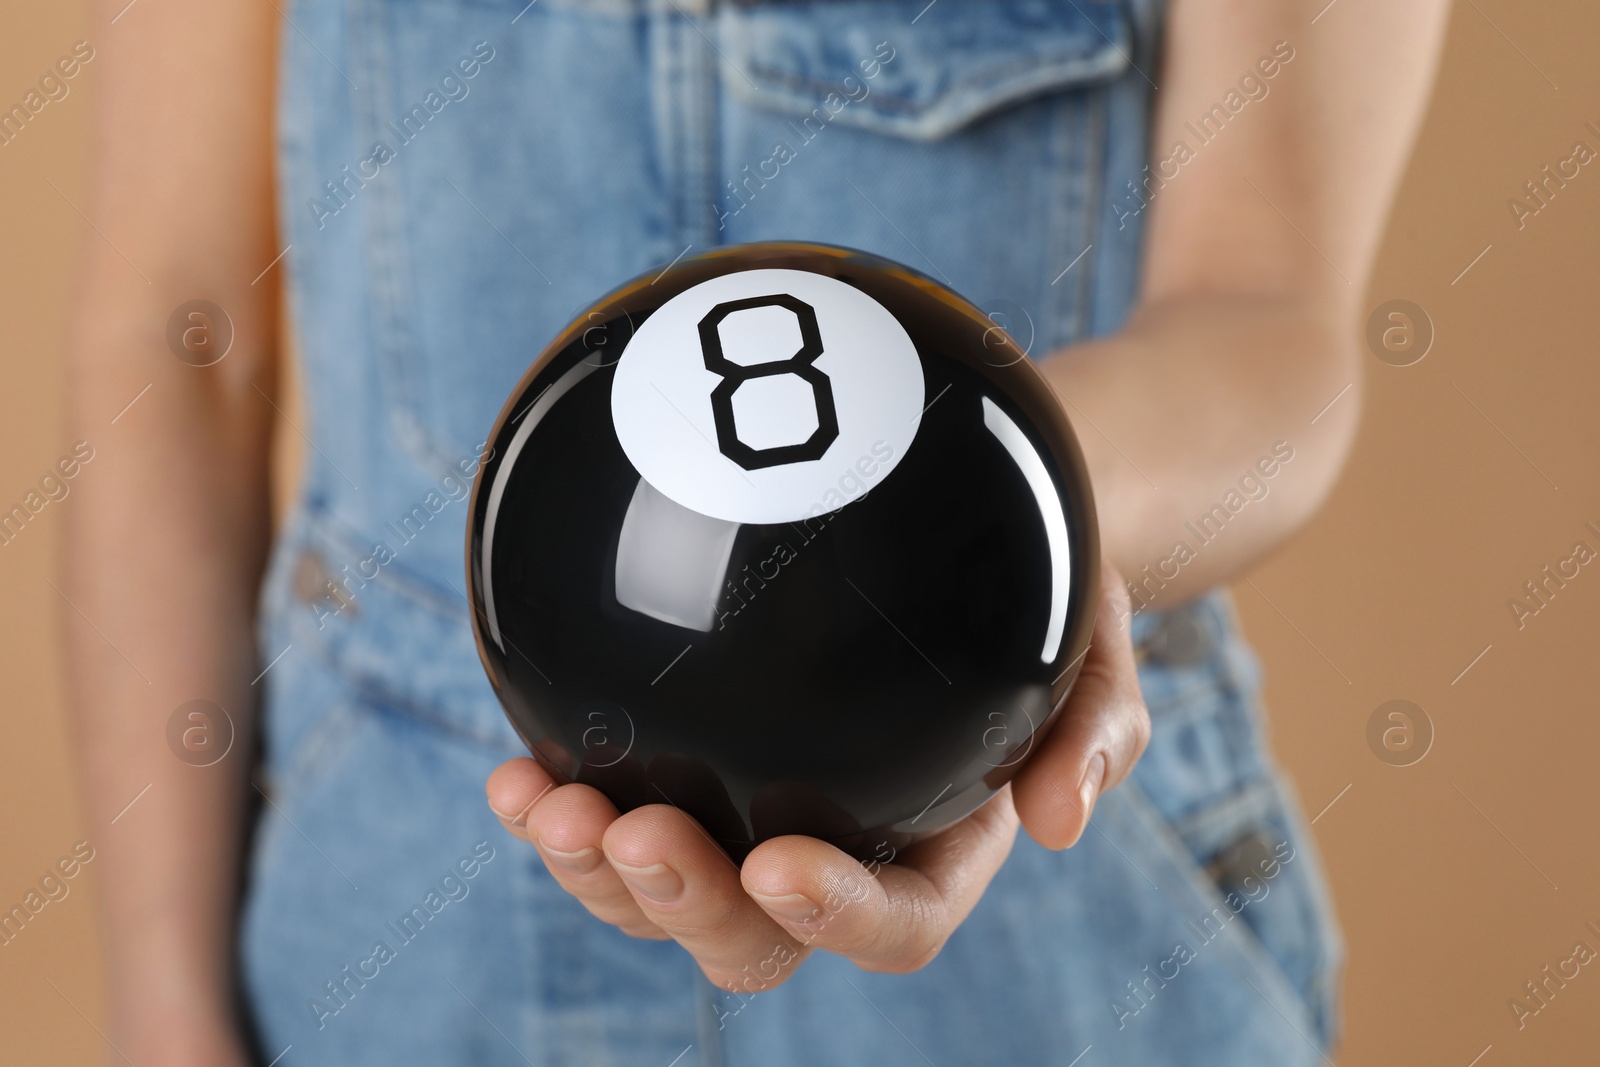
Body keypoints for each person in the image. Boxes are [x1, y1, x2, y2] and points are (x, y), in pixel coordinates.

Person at [64, 0, 1448, 1062]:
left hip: (1053, 878)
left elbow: (1271, 323)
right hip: (402, 930)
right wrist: (164, 1005)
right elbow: (184, 338)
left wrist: (1026, 527)